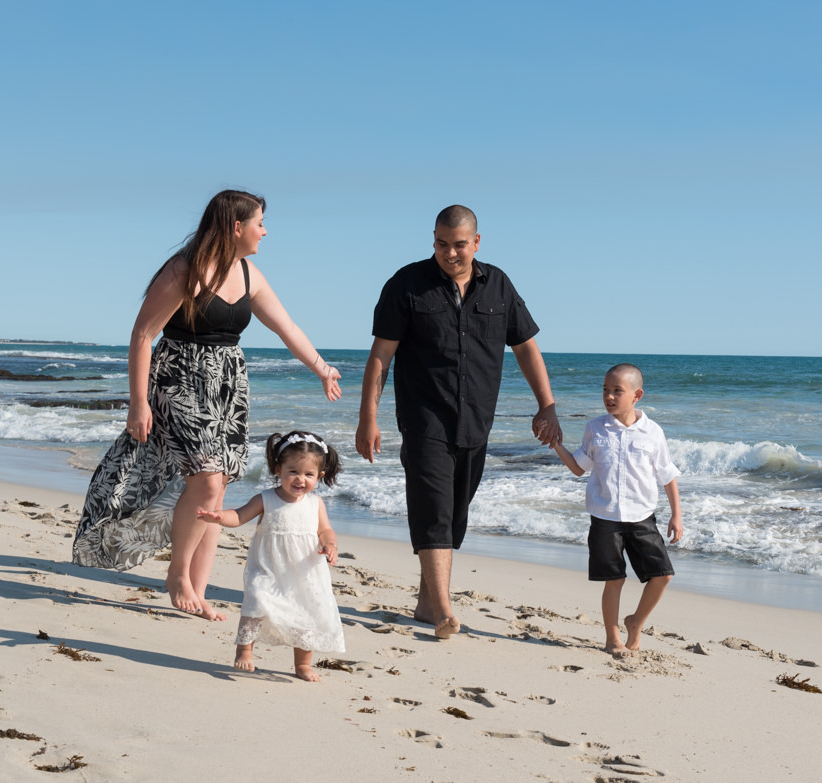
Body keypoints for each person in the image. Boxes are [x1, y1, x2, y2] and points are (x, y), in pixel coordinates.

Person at [73, 190, 341, 622]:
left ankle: (196, 589)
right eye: (259, 222)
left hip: (228, 387)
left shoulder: (249, 273)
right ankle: (177, 576)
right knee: (207, 476)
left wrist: (322, 368)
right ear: (236, 227)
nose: (264, 231)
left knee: (217, 486)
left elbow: (286, 326)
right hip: (179, 378)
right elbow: (143, 334)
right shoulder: (185, 269)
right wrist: (138, 402)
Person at [355, 204, 561, 640]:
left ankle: (427, 601)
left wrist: (547, 404)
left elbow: (525, 346)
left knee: (455, 514)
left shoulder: (498, 285)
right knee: (433, 510)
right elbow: (380, 356)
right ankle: (445, 609)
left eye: (459, 245)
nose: (450, 254)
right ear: (433, 240)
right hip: (423, 416)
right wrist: (367, 419)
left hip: (475, 422)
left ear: (477, 243)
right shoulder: (407, 284)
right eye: (441, 244)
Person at [550, 363, 683, 655]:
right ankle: (612, 637)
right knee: (614, 580)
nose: (609, 396)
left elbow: (667, 474)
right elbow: (578, 467)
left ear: (637, 395)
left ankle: (635, 623)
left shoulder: (652, 432)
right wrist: (556, 444)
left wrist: (676, 515)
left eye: (617, 391)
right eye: (605, 390)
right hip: (605, 518)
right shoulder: (596, 428)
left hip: (642, 517)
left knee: (662, 575)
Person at [197, 431, 344, 682]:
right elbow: (240, 515)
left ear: (319, 476)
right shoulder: (265, 499)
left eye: (308, 474)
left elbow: (325, 530)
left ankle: (302, 664)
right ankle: (244, 650)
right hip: (268, 567)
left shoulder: (315, 503)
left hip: (304, 571)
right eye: (293, 471)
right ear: (278, 469)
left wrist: (330, 545)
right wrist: (222, 517)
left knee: (305, 615)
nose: (300, 479)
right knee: (256, 600)